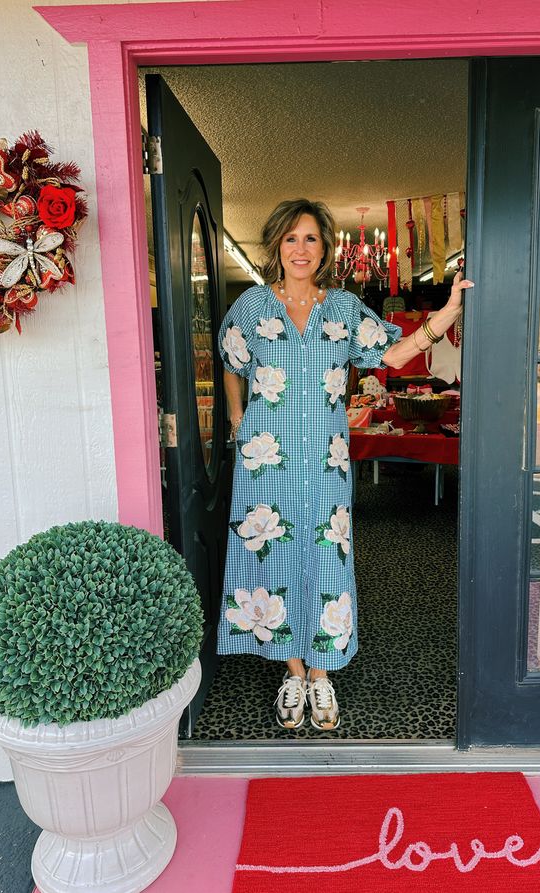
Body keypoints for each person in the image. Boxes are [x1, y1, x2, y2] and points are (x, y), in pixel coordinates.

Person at [217, 198, 473, 731]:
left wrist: (446, 315)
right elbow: (232, 365)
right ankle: (291, 671)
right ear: (276, 247)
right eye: (291, 239)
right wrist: (239, 420)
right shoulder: (250, 308)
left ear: (325, 248)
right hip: (267, 460)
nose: (300, 249)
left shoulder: (344, 310)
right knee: (276, 555)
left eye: (310, 239)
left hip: (327, 460)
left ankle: (320, 672)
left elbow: (395, 355)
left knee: (327, 557)